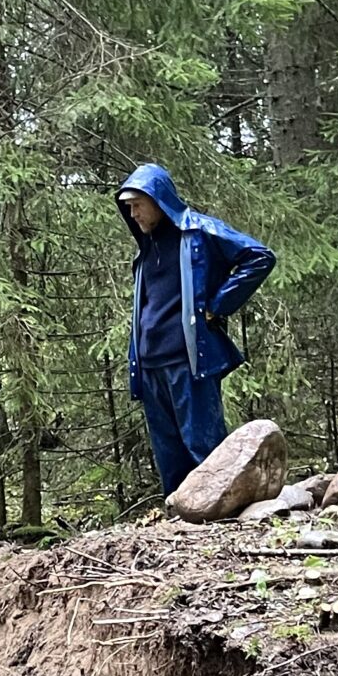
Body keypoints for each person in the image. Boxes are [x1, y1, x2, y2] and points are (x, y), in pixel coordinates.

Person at [116, 164, 277, 499]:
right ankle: (179, 518)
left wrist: (218, 304)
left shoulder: (199, 231)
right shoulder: (146, 247)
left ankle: (217, 517)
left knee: (204, 449)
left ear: (158, 200)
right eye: (128, 207)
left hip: (189, 360)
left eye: (137, 205)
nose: (133, 214)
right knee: (169, 456)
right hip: (150, 365)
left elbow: (259, 257)